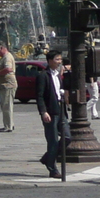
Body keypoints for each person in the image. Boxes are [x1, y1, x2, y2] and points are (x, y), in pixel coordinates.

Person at [35, 50, 67, 179]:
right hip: (50, 112)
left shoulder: (58, 75)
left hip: (61, 111)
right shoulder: (43, 76)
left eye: (60, 59)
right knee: (53, 141)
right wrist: (43, 112)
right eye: (57, 59)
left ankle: (47, 157)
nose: (60, 62)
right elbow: (39, 96)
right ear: (49, 61)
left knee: (68, 137)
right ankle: (52, 169)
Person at [0, 43, 17, 132]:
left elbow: (9, 69)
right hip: (5, 85)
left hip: (8, 84)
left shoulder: (7, 57)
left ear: (2, 48)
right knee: (6, 105)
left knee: (6, 105)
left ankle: (8, 126)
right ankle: (9, 124)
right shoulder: (5, 57)